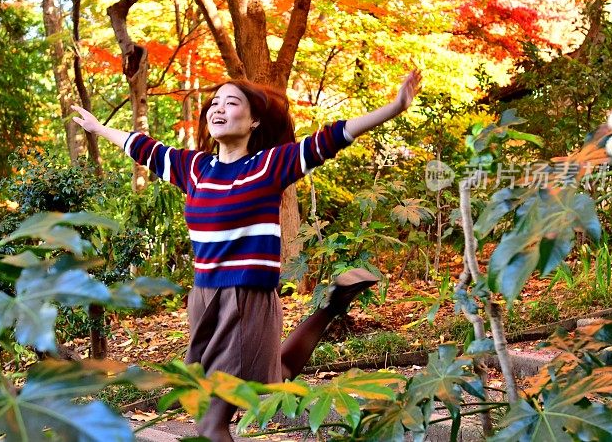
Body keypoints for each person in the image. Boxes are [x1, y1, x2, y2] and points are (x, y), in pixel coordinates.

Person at [72, 68, 421, 441]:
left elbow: (332, 137)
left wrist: (395, 106)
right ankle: (330, 308)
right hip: (203, 297)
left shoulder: (269, 166)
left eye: (232, 102)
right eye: (215, 102)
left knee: (210, 421)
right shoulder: (194, 169)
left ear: (254, 120)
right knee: (276, 375)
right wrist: (98, 128)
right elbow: (143, 147)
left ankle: (330, 308)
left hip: (245, 296)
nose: (218, 108)